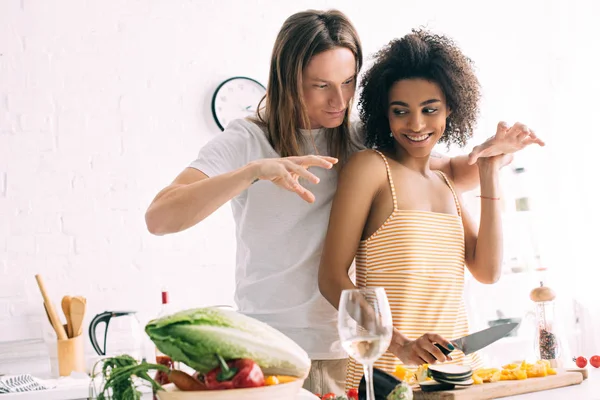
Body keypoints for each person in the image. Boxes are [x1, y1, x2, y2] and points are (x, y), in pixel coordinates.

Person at [145, 10, 544, 396]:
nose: (339, 100)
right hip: (271, 350)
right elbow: (160, 217)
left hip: (347, 351)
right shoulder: (247, 140)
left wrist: (497, 153)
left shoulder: (356, 138)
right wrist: (254, 172)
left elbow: (446, 169)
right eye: (320, 85)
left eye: (348, 82)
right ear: (287, 81)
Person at [317, 28, 545, 391]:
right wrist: (401, 344)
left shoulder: (445, 182)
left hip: (460, 374)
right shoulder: (370, 169)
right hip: (385, 377)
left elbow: (487, 271)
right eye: (400, 111)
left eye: (429, 109)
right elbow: (331, 279)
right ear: (385, 115)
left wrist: (489, 169)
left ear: (450, 108)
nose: (417, 124)